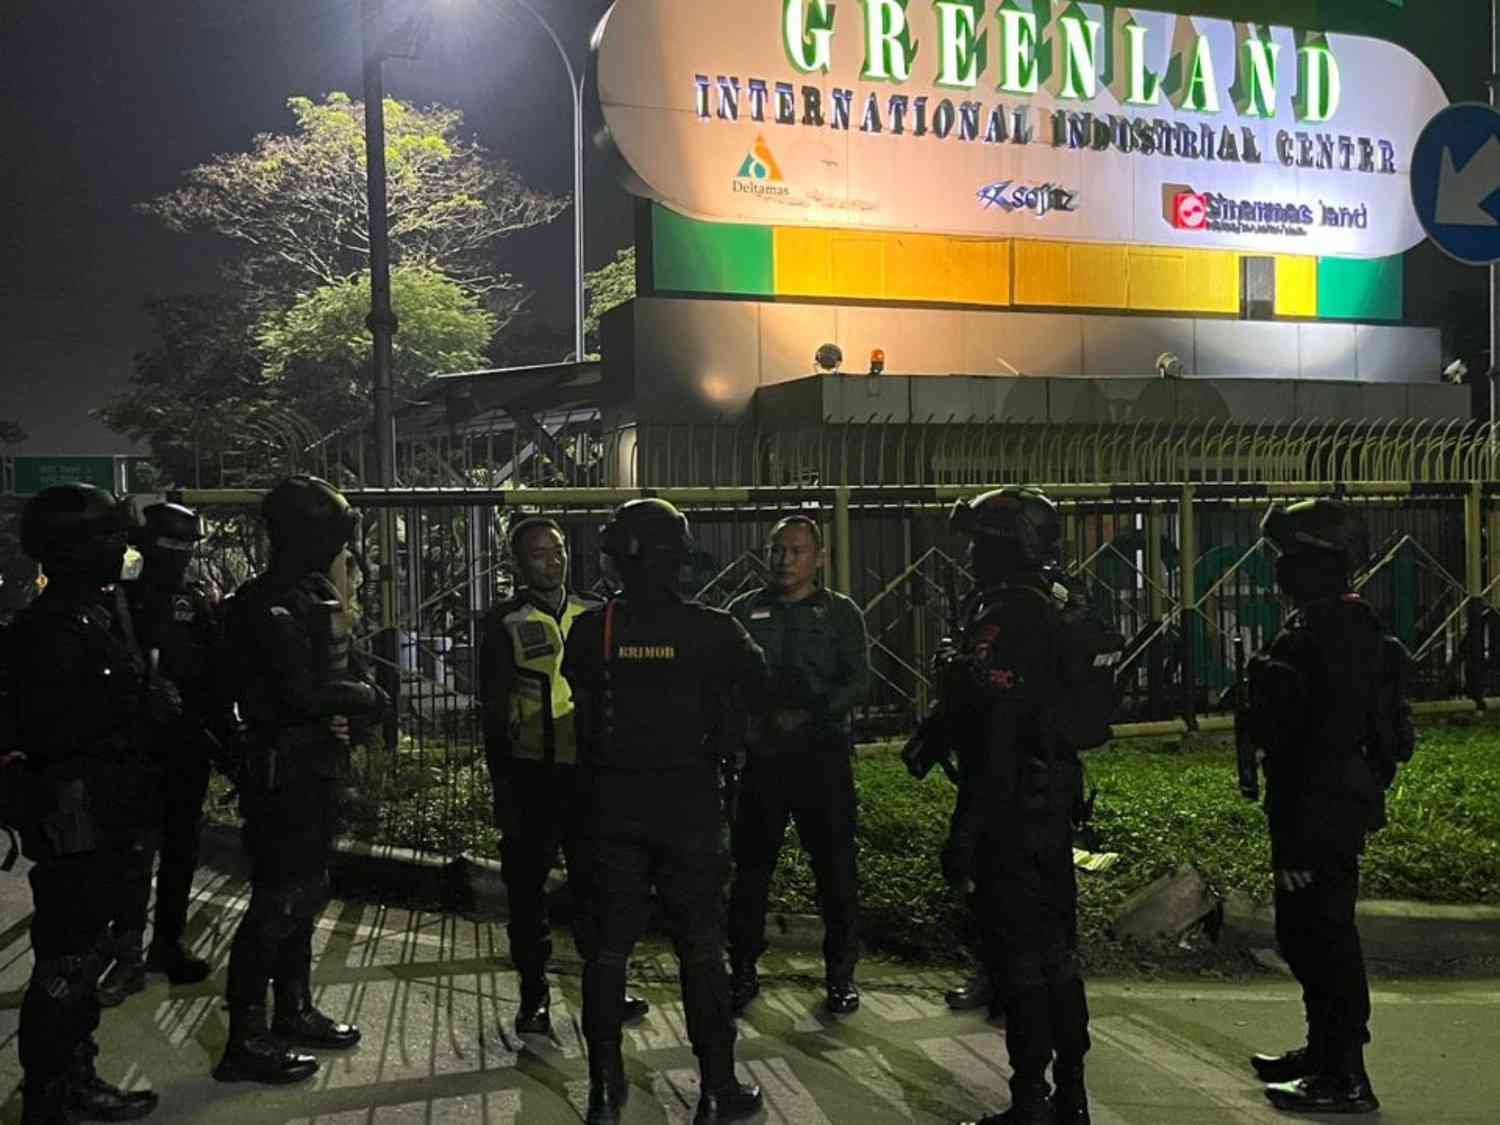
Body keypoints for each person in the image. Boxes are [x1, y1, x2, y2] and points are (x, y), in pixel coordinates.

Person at [563, 499, 769, 1125]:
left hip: (610, 809)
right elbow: (761, 687)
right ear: (677, 557)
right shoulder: (716, 629)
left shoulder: (591, 630)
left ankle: (604, 1089)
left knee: (607, 952)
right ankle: (716, 1088)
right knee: (702, 949)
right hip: (691, 810)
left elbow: (580, 700)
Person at [213, 475, 386, 1085]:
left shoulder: (315, 594)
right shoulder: (261, 605)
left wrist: (359, 699)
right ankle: (245, 1037)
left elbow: (346, 669)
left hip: (317, 767)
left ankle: (293, 1008)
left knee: (308, 893)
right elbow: (300, 694)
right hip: (280, 773)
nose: (339, 547)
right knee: (277, 901)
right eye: (329, 534)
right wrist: (364, 698)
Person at [1244, 499, 1413, 1115]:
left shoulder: (1329, 637)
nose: (1280, 569)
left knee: (1322, 938)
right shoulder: (1337, 624)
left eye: (1291, 557)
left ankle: (1346, 1076)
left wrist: (1296, 840)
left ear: (1321, 562)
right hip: (1328, 804)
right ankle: (1323, 1052)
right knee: (1307, 933)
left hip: (1319, 810)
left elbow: (1318, 746)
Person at [941, 487, 1101, 1125]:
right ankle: (1072, 1095)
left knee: (1021, 960)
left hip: (1011, 808)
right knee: (1057, 954)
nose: (971, 556)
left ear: (1007, 548)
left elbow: (997, 733)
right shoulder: (1054, 607)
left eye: (981, 543)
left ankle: (1031, 1100)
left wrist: (966, 828)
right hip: (1051, 802)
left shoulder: (1008, 617)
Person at [10, 483, 168, 1123]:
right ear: (70, 548)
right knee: (67, 962)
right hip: (74, 815)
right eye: (106, 536)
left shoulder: (97, 616)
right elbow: (55, 733)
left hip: (107, 809)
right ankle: (51, 1095)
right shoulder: (45, 630)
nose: (119, 547)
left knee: (87, 953)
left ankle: (74, 1077)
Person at [477, 515, 648, 1036]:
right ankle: (534, 997)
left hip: (589, 775)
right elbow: (492, 710)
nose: (552, 561)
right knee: (527, 895)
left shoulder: (595, 613)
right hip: (530, 776)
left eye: (557, 551)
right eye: (538, 553)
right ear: (517, 564)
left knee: (598, 890)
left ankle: (607, 990)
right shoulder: (503, 622)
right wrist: (502, 785)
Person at [726, 515, 869, 1016]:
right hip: (763, 761)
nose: (785, 560)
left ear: (820, 558)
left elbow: (859, 679)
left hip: (821, 759)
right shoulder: (743, 610)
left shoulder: (841, 613)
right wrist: (746, 727)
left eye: (797, 550)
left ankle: (841, 975)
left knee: (835, 870)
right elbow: (727, 680)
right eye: (777, 550)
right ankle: (742, 970)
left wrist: (812, 713)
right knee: (750, 871)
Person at [97, 502, 223, 1006]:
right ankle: (126, 953)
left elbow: (213, 674)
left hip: (188, 746)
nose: (180, 554)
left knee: (180, 851)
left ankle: (167, 944)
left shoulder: (196, 600)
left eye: (187, 545)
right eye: (171, 544)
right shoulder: (118, 601)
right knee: (134, 853)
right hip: (136, 749)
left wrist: (225, 735)